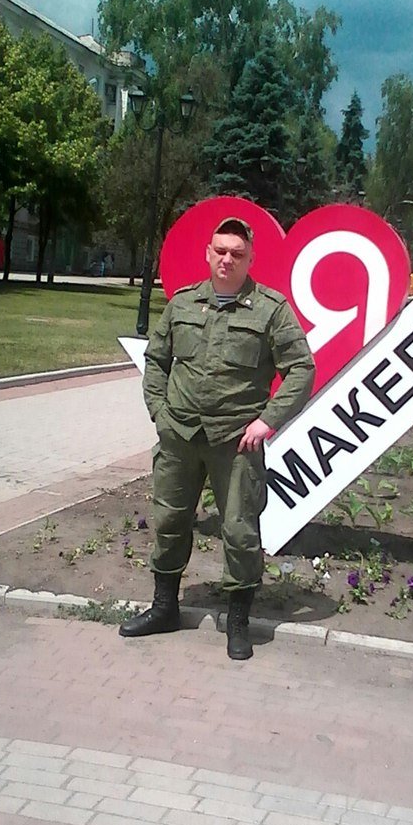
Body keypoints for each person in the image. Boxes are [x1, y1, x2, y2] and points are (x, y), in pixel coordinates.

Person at [120, 217, 315, 660]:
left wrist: (267, 421)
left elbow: (301, 369)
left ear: (250, 259)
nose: (228, 259)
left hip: (236, 441)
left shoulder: (270, 309)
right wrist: (160, 414)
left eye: (237, 254)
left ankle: (238, 622)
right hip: (180, 436)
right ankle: (164, 608)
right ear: (208, 254)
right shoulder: (183, 303)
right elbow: (157, 361)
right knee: (169, 521)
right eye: (221, 251)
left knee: (240, 530)